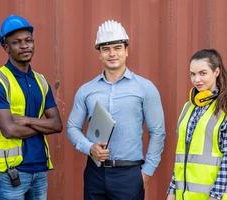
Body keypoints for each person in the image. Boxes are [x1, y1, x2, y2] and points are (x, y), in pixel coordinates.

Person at [66, 19, 166, 200]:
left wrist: (147, 172)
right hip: (94, 174)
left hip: (129, 174)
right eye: (106, 49)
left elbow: (157, 132)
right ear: (99, 54)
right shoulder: (86, 90)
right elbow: (72, 127)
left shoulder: (145, 88)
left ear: (126, 51)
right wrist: (89, 148)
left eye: (117, 47)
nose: (112, 54)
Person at [0, 15, 62, 200]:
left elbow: (57, 125)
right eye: (16, 42)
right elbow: (9, 130)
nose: (25, 46)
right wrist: (42, 125)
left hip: (40, 168)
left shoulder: (41, 81)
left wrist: (25, 120)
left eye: (28, 40)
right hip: (12, 172)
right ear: (6, 47)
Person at [166, 49, 227, 200]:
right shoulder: (188, 108)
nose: (197, 80)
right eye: (192, 74)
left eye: (202, 73)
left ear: (216, 72)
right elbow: (182, 156)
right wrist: (172, 190)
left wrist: (214, 196)